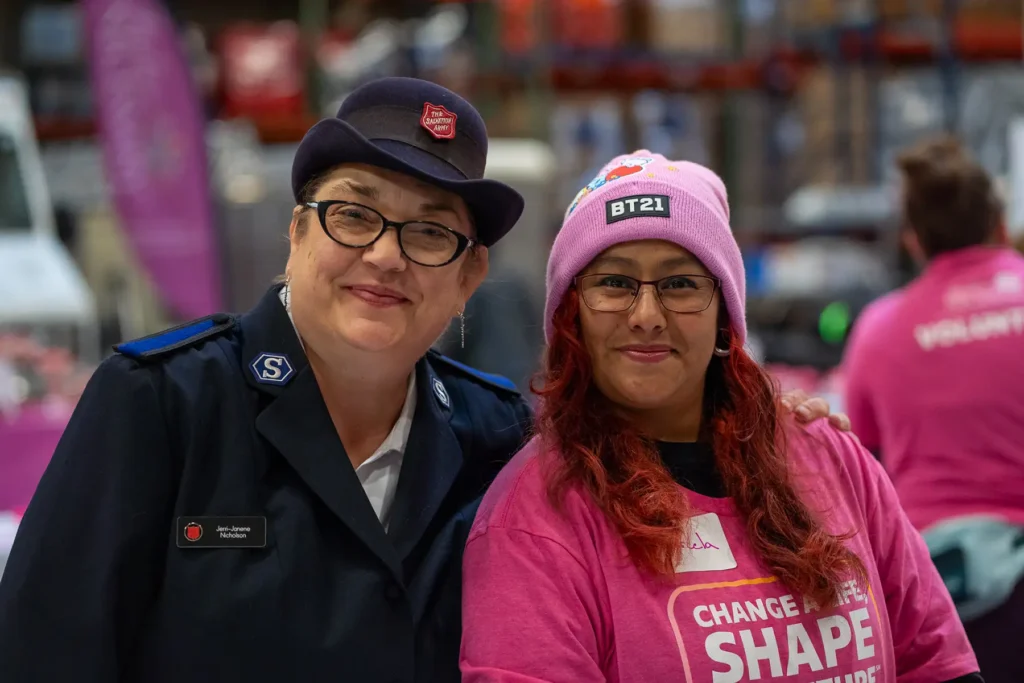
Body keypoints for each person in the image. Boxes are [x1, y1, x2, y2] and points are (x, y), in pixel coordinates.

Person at [0, 80, 840, 682]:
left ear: (469, 277)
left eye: (432, 231)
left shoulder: (500, 437)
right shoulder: (159, 406)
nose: (387, 254)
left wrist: (767, 420)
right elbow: (40, 651)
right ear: (297, 232)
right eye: (356, 213)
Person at [459, 151, 982, 683]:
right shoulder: (536, 518)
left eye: (680, 284)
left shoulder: (829, 458)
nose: (646, 316)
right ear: (573, 313)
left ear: (724, 315)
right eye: (614, 283)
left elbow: (935, 663)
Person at [841, 136, 1024, 683]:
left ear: (915, 241)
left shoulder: (877, 331)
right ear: (998, 224)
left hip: (938, 591)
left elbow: (862, 462)